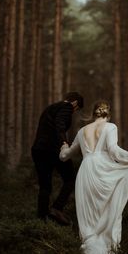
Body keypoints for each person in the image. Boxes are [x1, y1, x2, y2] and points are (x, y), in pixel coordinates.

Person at [59, 100, 128, 254]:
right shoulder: (110, 127)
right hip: (103, 171)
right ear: (108, 115)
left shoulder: (81, 131)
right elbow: (114, 152)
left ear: (94, 114)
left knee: (89, 221)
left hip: (85, 173)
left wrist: (63, 146)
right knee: (110, 213)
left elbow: (64, 157)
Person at [31, 91, 84, 225]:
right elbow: (59, 123)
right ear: (75, 103)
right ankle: (56, 208)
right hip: (52, 150)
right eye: (76, 110)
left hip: (38, 150)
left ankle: (41, 221)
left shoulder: (50, 108)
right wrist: (64, 142)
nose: (73, 112)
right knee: (70, 179)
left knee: (45, 186)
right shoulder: (66, 107)